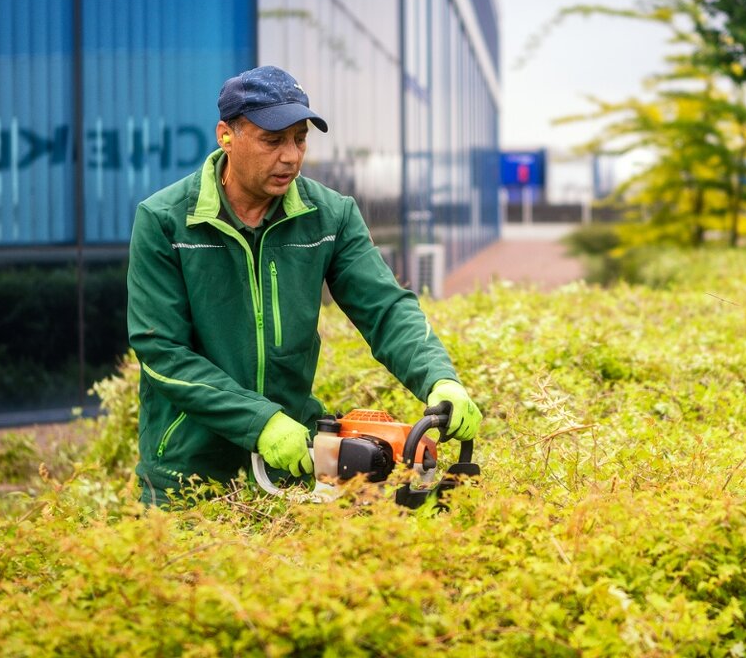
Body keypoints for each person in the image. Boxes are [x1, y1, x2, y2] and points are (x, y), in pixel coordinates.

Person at [127, 65, 481, 506]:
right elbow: (162, 352)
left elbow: (385, 309)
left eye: (300, 139)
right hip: (188, 472)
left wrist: (439, 379)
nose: (291, 156)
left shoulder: (330, 216)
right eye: (273, 141)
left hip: (293, 465)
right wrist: (261, 422)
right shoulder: (165, 220)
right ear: (226, 136)